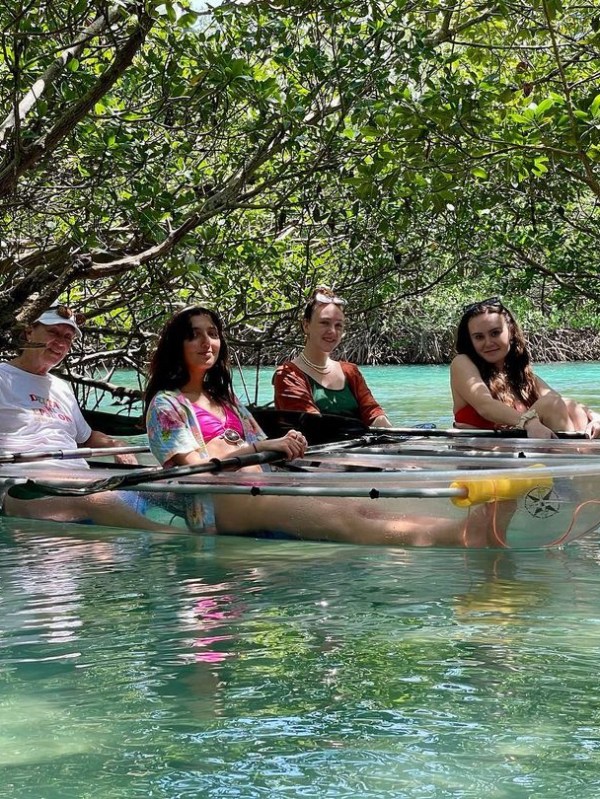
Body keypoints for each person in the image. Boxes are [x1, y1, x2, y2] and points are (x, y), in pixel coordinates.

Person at [145, 305, 515, 546]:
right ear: (177, 345)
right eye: (194, 335)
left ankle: (467, 531)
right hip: (218, 503)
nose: (206, 342)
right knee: (338, 516)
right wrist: (258, 448)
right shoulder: (166, 404)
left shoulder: (225, 400)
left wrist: (282, 443)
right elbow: (195, 471)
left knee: (355, 504)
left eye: (212, 333)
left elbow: (261, 446)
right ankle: (464, 534)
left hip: (261, 486)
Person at [1, 303, 172, 531]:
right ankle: (173, 537)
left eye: (68, 338)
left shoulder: (61, 388)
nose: (61, 343)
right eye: (53, 332)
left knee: (168, 488)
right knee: (96, 500)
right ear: (29, 331)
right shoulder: (3, 378)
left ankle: (214, 528)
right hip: (25, 488)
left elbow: (87, 437)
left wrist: (117, 445)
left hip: (79, 481)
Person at [451, 297, 600, 439]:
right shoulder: (462, 362)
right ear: (470, 340)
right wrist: (528, 422)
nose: (488, 342)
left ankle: (580, 452)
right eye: (479, 337)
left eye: (495, 333)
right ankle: (575, 454)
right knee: (549, 404)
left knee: (572, 408)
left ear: (511, 332)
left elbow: (560, 400)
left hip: (517, 449)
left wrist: (594, 417)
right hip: (483, 452)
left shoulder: (519, 374)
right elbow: (485, 406)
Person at [272, 287, 392, 428]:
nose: (332, 331)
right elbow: (312, 425)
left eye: (338, 325)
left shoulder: (351, 372)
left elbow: (373, 412)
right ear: (306, 325)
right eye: (324, 323)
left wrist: (392, 434)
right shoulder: (288, 375)